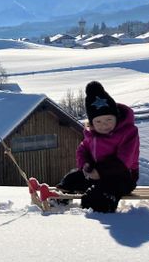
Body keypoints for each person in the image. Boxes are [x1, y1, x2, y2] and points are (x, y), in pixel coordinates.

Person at [57, 81, 139, 213]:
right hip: (95, 174)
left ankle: (101, 203)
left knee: (102, 192)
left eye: (109, 120)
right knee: (71, 178)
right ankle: (59, 200)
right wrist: (85, 165)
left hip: (122, 176)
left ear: (116, 118)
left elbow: (124, 161)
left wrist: (99, 172)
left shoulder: (128, 132)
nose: (104, 125)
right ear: (92, 123)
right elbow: (82, 150)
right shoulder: (92, 135)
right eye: (98, 121)